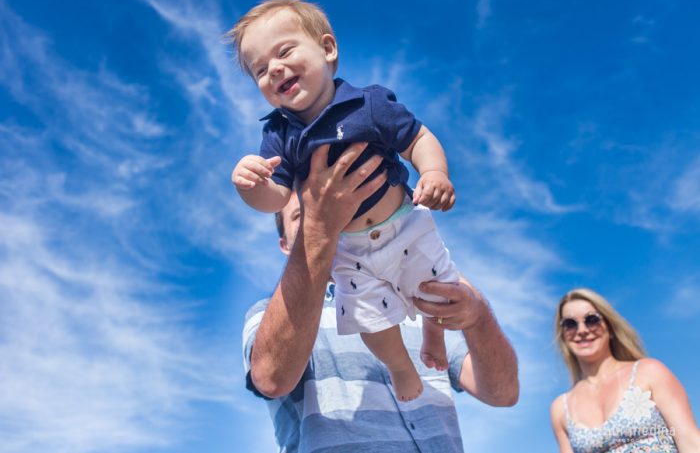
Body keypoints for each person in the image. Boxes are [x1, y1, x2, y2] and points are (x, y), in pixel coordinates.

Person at [229, 0, 461, 401]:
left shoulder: (368, 104)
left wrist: (435, 173)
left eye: (284, 52)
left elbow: (418, 139)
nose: (275, 70)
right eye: (261, 70)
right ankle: (401, 369)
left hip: (403, 224)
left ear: (328, 48)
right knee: (369, 320)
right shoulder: (279, 135)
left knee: (439, 287)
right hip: (350, 250)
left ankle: (435, 339)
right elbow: (277, 197)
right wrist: (251, 186)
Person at [241, 142, 518, 452]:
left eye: (337, 208)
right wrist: (318, 228)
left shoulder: (411, 293)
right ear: (284, 244)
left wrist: (478, 317)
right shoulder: (266, 314)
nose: (330, 216)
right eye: (301, 217)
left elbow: (502, 392)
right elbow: (272, 379)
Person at [550, 288, 700, 453]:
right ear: (562, 334)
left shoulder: (650, 373)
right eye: (570, 324)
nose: (582, 330)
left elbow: (690, 442)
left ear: (610, 327)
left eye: (591, 319)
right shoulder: (561, 409)